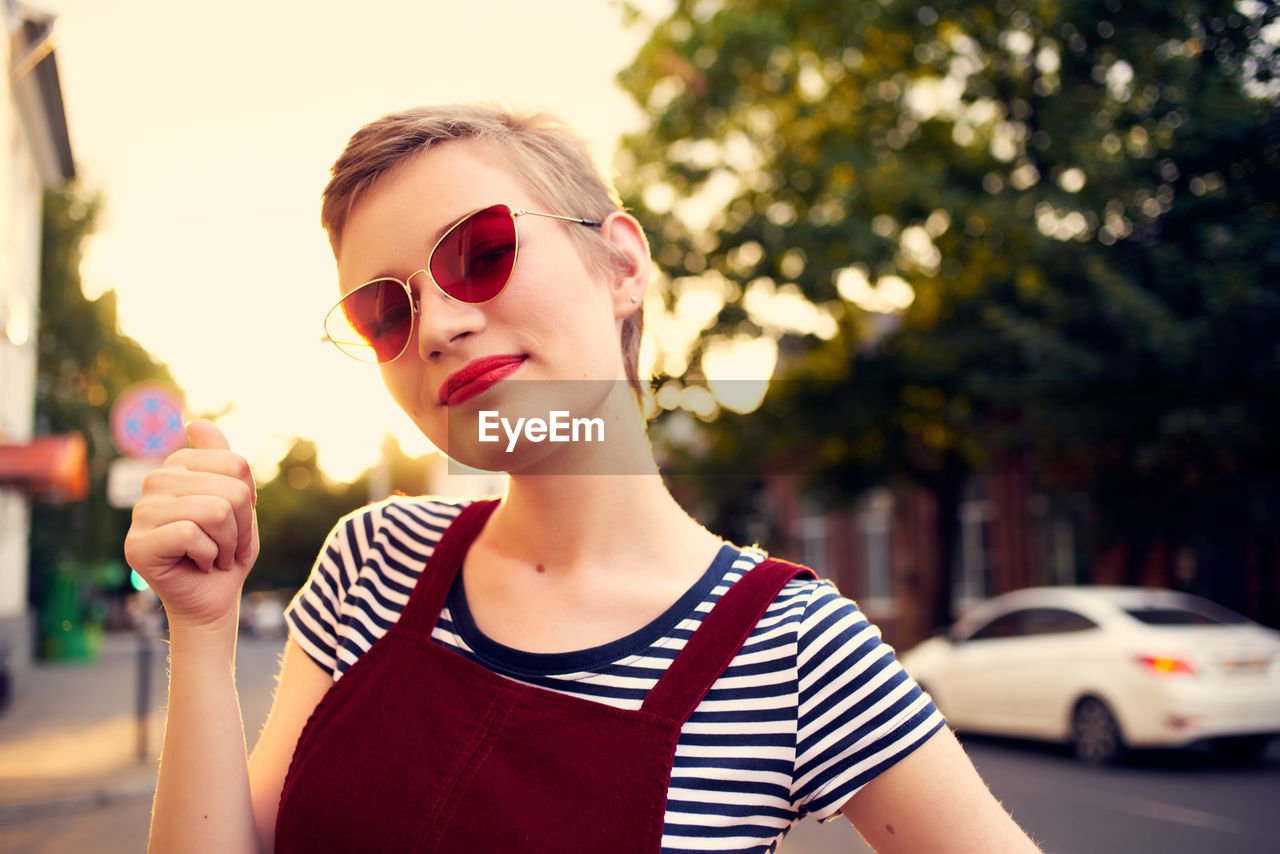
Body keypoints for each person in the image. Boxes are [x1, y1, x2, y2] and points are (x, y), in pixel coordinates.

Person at [124, 103, 1042, 853]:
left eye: (480, 253)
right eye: (383, 309)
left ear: (623, 265)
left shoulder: (794, 648)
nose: (438, 326)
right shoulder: (372, 559)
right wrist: (201, 632)